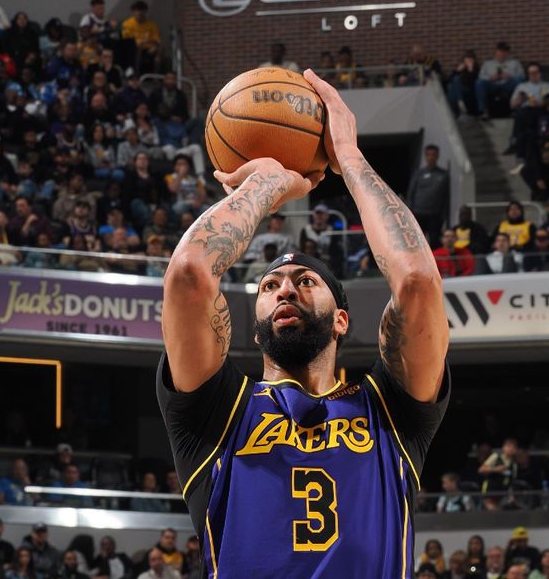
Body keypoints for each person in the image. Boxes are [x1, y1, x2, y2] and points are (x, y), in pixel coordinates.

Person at [158, 68, 449, 576]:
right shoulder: (217, 411)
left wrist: (350, 159)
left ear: (341, 320)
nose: (286, 288)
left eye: (305, 281)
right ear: (254, 325)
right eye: (270, 287)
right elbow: (188, 276)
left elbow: (419, 285)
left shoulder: (390, 413)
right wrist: (267, 184)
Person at [406, 144, 450, 248]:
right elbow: (411, 193)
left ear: (437, 156)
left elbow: (446, 197)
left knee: (435, 241)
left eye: (433, 155)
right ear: (425, 156)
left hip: (435, 215)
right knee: (417, 242)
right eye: (428, 155)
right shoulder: (418, 174)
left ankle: (436, 263)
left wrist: (444, 215)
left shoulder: (443, 175)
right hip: (418, 213)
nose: (431, 157)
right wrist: (409, 213)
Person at [475, 42, 525, 118]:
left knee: (517, 80)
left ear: (508, 53)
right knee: (479, 83)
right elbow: (480, 77)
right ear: (496, 51)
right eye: (500, 51)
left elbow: (522, 76)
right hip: (492, 85)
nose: (502, 54)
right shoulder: (487, 63)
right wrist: (490, 78)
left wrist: (510, 76)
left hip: (507, 84)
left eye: (505, 52)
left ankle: (516, 109)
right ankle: (483, 111)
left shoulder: (515, 63)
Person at [121, 1, 160, 73]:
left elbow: (156, 40)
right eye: (137, 10)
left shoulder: (152, 24)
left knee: (160, 50)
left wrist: (150, 44)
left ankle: (156, 77)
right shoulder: (127, 23)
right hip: (134, 49)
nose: (140, 13)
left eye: (142, 10)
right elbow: (126, 40)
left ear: (145, 11)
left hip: (149, 49)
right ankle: (136, 76)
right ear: (133, 12)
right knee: (138, 48)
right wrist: (141, 42)